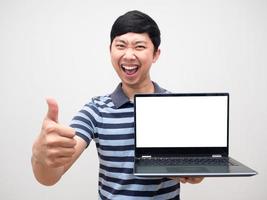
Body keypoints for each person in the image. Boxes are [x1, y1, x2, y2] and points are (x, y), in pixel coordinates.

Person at [31, 10, 204, 199]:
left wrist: (194, 172)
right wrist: (40, 158)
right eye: (120, 45)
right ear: (110, 51)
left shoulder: (176, 107)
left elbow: (194, 171)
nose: (129, 55)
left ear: (155, 54)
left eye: (139, 46)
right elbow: (49, 178)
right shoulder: (96, 110)